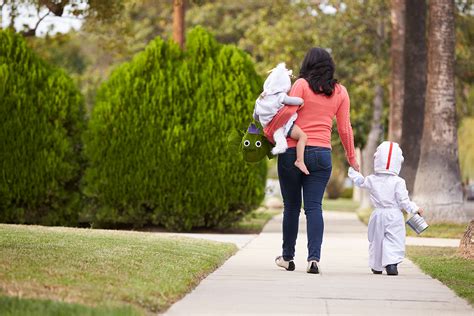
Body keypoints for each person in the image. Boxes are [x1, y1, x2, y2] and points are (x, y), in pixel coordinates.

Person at [268, 48, 359, 274]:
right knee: (314, 207)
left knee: (291, 207)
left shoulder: (300, 85)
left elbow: (286, 114)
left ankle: (288, 258)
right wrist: (351, 158)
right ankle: (313, 259)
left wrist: (268, 130)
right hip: (321, 154)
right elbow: (345, 128)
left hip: (291, 151)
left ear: (307, 64)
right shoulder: (341, 92)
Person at [348, 141, 424, 276]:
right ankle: (391, 264)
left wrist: (352, 170)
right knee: (394, 238)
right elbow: (404, 201)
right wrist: (415, 209)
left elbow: (360, 181)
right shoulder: (399, 182)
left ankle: (376, 266)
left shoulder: (372, 179)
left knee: (376, 239)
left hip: (377, 214)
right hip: (394, 215)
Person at [253, 63, 309, 175]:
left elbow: (255, 116)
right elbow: (296, 101)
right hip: (283, 124)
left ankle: (280, 144)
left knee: (279, 133)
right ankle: (300, 160)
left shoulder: (261, 97)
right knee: (303, 136)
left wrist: (266, 119)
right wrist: (302, 101)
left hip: (269, 126)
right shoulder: (280, 96)